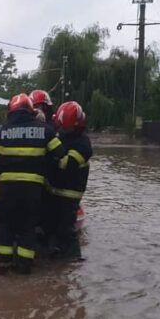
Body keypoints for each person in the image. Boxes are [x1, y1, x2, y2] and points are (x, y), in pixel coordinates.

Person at [0, 93, 65, 275]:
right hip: (33, 190)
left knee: (5, 226)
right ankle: (24, 267)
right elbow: (60, 155)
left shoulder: (1, 133)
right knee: (27, 227)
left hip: (7, 190)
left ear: (11, 111)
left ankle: (3, 265)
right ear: (32, 111)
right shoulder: (45, 130)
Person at [46, 101, 92, 260]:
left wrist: (48, 158)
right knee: (51, 225)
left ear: (77, 125)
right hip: (55, 191)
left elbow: (67, 165)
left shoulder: (83, 145)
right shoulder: (62, 134)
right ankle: (55, 253)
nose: (63, 130)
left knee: (66, 228)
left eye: (66, 127)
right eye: (61, 127)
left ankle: (74, 259)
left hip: (70, 193)